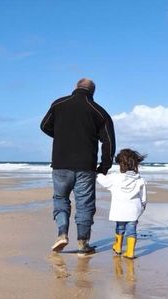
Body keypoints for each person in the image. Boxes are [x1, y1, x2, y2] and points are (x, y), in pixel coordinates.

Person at [40, 78, 116, 256]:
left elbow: (44, 126)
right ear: (93, 92)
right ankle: (83, 243)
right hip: (85, 167)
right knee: (85, 204)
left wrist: (60, 135)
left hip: (60, 164)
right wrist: (104, 166)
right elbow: (109, 142)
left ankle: (62, 234)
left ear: (75, 87)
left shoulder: (59, 104)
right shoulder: (99, 112)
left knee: (60, 199)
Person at [96, 148, 147, 259]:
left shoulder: (115, 178)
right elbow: (143, 199)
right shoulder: (139, 180)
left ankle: (118, 247)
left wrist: (98, 172)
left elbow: (102, 180)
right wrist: (142, 208)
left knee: (120, 227)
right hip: (134, 210)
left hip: (119, 210)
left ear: (120, 163)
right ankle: (130, 252)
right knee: (132, 230)